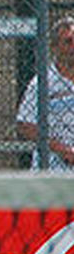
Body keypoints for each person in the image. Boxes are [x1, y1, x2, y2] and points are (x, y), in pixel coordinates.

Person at [16, 16, 74, 171]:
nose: (73, 47)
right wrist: (62, 150)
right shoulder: (43, 81)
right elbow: (25, 125)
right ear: (55, 47)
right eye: (68, 42)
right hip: (53, 169)